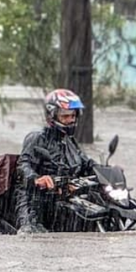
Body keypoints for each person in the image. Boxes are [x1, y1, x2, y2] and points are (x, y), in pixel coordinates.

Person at [14, 88, 93, 233]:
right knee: (32, 234)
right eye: (65, 116)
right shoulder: (37, 138)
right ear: (52, 116)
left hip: (62, 198)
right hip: (34, 200)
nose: (71, 120)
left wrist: (109, 171)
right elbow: (22, 165)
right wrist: (37, 179)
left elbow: (86, 163)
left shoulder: (70, 141)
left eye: (73, 116)